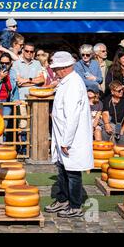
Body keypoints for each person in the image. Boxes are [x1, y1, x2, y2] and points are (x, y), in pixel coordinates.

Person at [44, 51, 93, 218]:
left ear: (64, 68)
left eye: (56, 69)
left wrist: (66, 140)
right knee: (62, 169)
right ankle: (63, 199)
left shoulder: (73, 84)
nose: (55, 72)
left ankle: (75, 205)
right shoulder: (66, 82)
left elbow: (72, 115)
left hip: (70, 136)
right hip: (62, 134)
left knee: (72, 172)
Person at [0, 53, 20, 142]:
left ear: (11, 63)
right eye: (2, 63)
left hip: (7, 101)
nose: (4, 65)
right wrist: (0, 78)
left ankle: (1, 147)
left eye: (7, 63)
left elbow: (15, 88)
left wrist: (16, 99)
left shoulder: (13, 72)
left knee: (4, 125)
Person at [101, 80, 124, 145]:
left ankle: (121, 153)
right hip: (112, 123)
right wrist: (107, 124)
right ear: (112, 92)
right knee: (105, 133)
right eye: (119, 91)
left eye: (122, 89)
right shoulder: (107, 99)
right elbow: (105, 113)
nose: (121, 91)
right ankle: (108, 153)